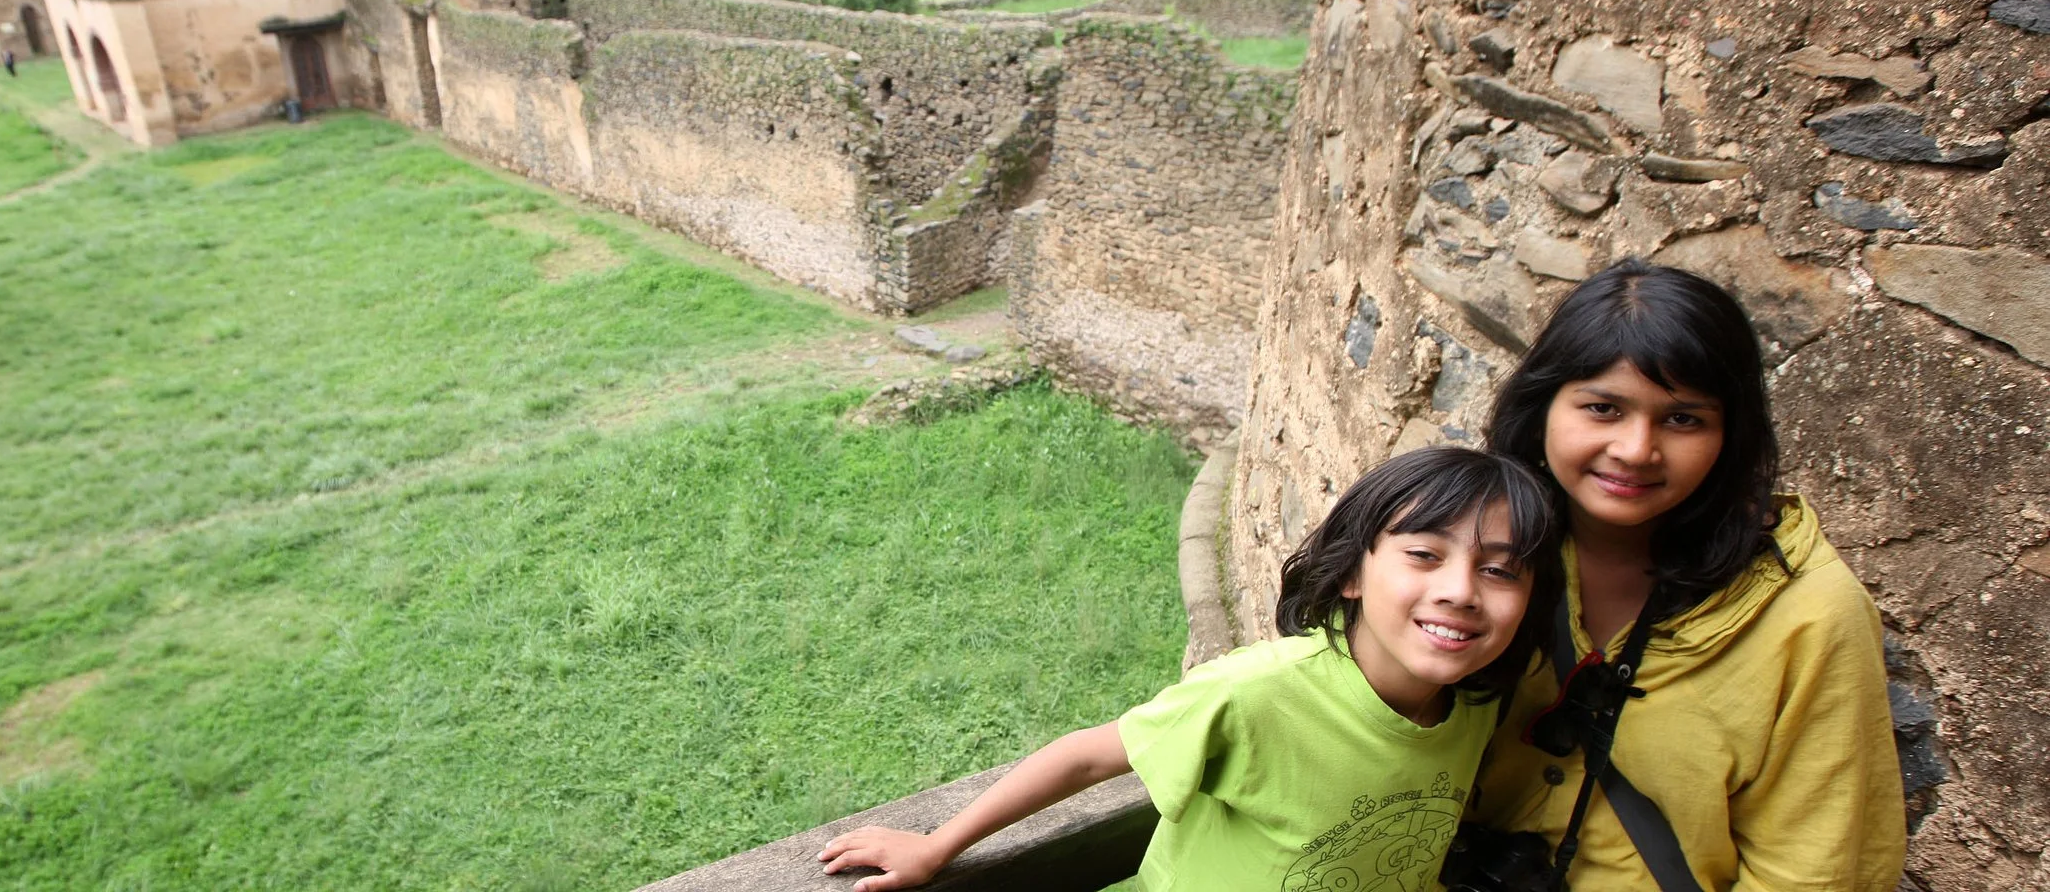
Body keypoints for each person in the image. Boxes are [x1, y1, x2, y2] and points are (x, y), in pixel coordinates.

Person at [815, 447, 1561, 892]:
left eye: (1500, 571)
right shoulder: (1259, 691)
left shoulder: (1473, 706)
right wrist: (937, 846)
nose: (1461, 590)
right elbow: (1086, 758)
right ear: (1352, 574)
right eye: (1424, 556)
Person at [1465, 259, 1904, 891]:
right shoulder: (1474, 552)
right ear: (1543, 409)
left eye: (1682, 419)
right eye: (1602, 408)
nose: (1636, 449)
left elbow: (1816, 868)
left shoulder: (1810, 617)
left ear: (1730, 434)